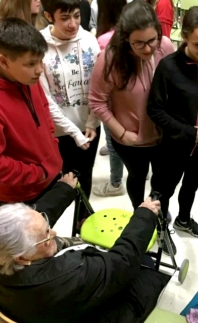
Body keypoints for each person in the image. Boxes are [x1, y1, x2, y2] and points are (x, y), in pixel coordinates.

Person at [0, 174, 169, 323]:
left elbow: (28, 222)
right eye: (46, 238)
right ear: (22, 258)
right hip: (79, 315)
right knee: (146, 271)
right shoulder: (73, 274)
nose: (53, 233)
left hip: (27, 307)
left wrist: (63, 190)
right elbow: (122, 262)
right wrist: (144, 214)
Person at [0, 17, 63, 208]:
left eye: (41, 61)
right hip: (17, 195)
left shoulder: (25, 77)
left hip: (45, 175)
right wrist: (37, 173)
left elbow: (43, 109)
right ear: (4, 61)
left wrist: (52, 144)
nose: (40, 70)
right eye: (31, 64)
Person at [88, 0, 174, 211]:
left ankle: (159, 213)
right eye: (139, 43)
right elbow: (97, 101)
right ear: (126, 39)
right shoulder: (110, 59)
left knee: (162, 179)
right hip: (131, 140)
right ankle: (140, 213)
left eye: (152, 40)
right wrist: (122, 132)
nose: (148, 48)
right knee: (137, 176)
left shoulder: (165, 48)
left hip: (164, 134)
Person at [147, 6, 198, 238]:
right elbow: (155, 109)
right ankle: (160, 229)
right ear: (185, 37)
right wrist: (189, 132)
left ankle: (183, 220)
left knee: (191, 186)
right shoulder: (169, 67)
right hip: (172, 146)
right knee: (163, 191)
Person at [39, 0, 101, 211]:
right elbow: (45, 98)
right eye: (65, 18)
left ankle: (82, 218)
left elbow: (98, 86)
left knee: (86, 174)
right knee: (63, 179)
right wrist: (74, 132)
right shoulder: (39, 45)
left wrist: (92, 122)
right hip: (59, 131)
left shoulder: (90, 41)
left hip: (90, 127)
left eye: (76, 15)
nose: (73, 24)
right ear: (49, 16)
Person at [92, 0, 128, 198]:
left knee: (114, 142)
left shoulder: (104, 40)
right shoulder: (128, 32)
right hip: (129, 100)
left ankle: (115, 183)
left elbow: (98, 78)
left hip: (111, 101)